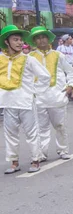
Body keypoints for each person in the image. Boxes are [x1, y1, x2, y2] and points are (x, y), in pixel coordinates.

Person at [0, 25, 51, 174]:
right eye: (15, 40)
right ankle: (14, 162)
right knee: (10, 134)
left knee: (31, 133)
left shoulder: (28, 59)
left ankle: (35, 160)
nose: (19, 43)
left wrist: (35, 91)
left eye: (20, 40)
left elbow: (45, 76)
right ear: (6, 41)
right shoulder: (1, 59)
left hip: (26, 102)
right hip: (8, 102)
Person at [28, 26, 73, 161]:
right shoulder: (29, 57)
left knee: (60, 126)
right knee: (41, 128)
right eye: (38, 38)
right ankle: (42, 153)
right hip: (38, 97)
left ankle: (63, 150)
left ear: (48, 38)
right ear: (34, 41)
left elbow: (71, 72)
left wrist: (70, 86)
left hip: (57, 96)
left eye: (43, 37)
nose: (41, 40)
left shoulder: (58, 55)